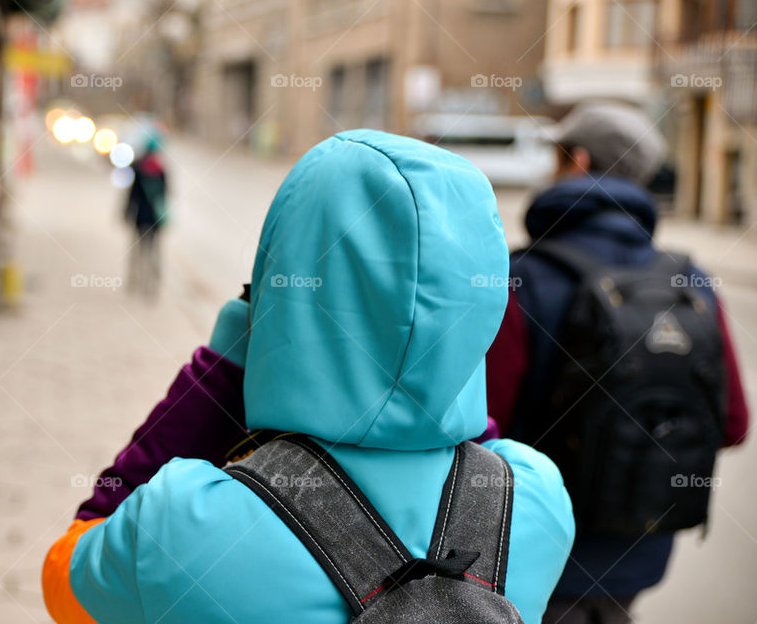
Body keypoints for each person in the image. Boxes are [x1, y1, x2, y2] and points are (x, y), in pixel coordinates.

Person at [44, 130, 575, 624]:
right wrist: (443, 374)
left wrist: (222, 370)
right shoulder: (536, 500)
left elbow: (64, 579)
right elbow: (476, 440)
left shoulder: (182, 524)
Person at [486, 102, 750, 624]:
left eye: (556, 157)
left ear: (577, 161)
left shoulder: (520, 279)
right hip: (642, 546)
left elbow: (479, 431)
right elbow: (734, 425)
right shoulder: (690, 282)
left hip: (536, 552)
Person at [123, 133, 167, 297]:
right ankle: (152, 285)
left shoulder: (138, 167)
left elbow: (131, 195)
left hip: (140, 216)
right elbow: (165, 195)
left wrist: (126, 213)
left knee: (137, 250)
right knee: (153, 251)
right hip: (155, 218)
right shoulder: (161, 169)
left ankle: (133, 281)